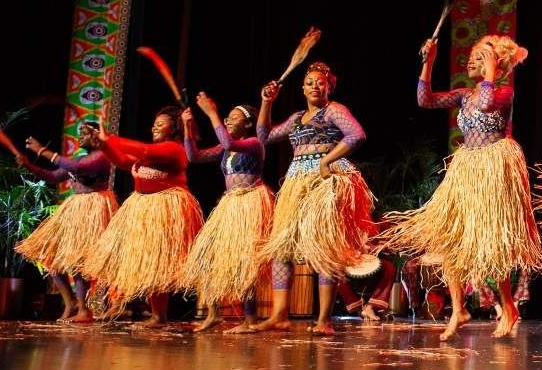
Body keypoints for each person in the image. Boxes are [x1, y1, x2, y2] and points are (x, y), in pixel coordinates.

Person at [377, 34, 542, 342]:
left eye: (481, 57)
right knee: (451, 241)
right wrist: (429, 62)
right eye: (473, 55)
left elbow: (488, 101)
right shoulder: (463, 95)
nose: (471, 60)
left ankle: (508, 305)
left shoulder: (504, 91)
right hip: (466, 169)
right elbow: (423, 100)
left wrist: (491, 73)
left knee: (492, 246)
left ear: (497, 64)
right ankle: (458, 309)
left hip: (494, 169)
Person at [253, 61, 374, 336]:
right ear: (302, 89)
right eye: (309, 83)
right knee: (283, 248)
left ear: (329, 86)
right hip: (297, 182)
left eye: (320, 82)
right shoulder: (296, 118)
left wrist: (328, 160)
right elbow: (264, 136)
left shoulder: (335, 110)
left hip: (325, 180)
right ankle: (279, 315)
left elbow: (357, 135)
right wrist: (266, 103)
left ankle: (324, 319)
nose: (314, 86)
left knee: (324, 248)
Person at [82, 107, 204, 326]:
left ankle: (161, 315)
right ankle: (153, 313)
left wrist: (110, 138)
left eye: (162, 123)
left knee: (158, 260)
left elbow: (144, 151)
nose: (155, 126)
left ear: (174, 127)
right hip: (142, 206)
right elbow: (121, 161)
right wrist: (105, 146)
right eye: (154, 123)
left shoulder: (174, 149)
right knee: (148, 261)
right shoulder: (150, 151)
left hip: (165, 207)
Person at [0, 123, 114, 322]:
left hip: (94, 208)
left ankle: (83, 310)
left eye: (85, 133)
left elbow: (77, 168)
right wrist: (28, 163)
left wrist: (42, 151)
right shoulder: (79, 157)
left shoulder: (102, 157)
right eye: (79, 133)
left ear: (96, 137)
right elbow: (53, 176)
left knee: (78, 261)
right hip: (75, 209)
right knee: (48, 257)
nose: (80, 137)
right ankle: (70, 303)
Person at [181, 92, 273, 333]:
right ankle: (213, 314)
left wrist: (211, 114)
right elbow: (194, 156)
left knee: (245, 261)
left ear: (249, 124)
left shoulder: (254, 143)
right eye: (226, 117)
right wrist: (188, 127)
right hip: (229, 204)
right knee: (206, 256)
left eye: (233, 118)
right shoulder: (225, 149)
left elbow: (230, 142)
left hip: (249, 203)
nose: (227, 120)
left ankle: (250, 319)